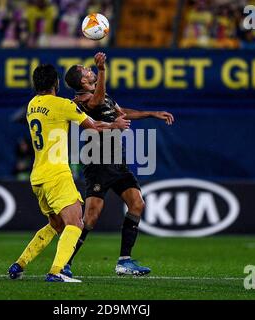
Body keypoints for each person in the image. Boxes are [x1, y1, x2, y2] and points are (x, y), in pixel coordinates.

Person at [7, 63, 130, 282]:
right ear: (55, 83)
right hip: (57, 174)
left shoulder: (32, 105)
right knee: (76, 223)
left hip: (37, 177)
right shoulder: (62, 104)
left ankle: (19, 265)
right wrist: (115, 125)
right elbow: (94, 126)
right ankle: (57, 271)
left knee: (56, 225)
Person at [63, 52, 174, 277]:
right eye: (85, 70)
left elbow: (122, 113)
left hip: (117, 161)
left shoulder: (104, 96)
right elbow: (96, 103)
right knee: (91, 218)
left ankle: (124, 261)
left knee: (137, 203)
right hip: (98, 162)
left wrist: (151, 113)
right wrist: (103, 70)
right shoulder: (81, 102)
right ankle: (65, 262)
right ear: (83, 81)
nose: (89, 69)